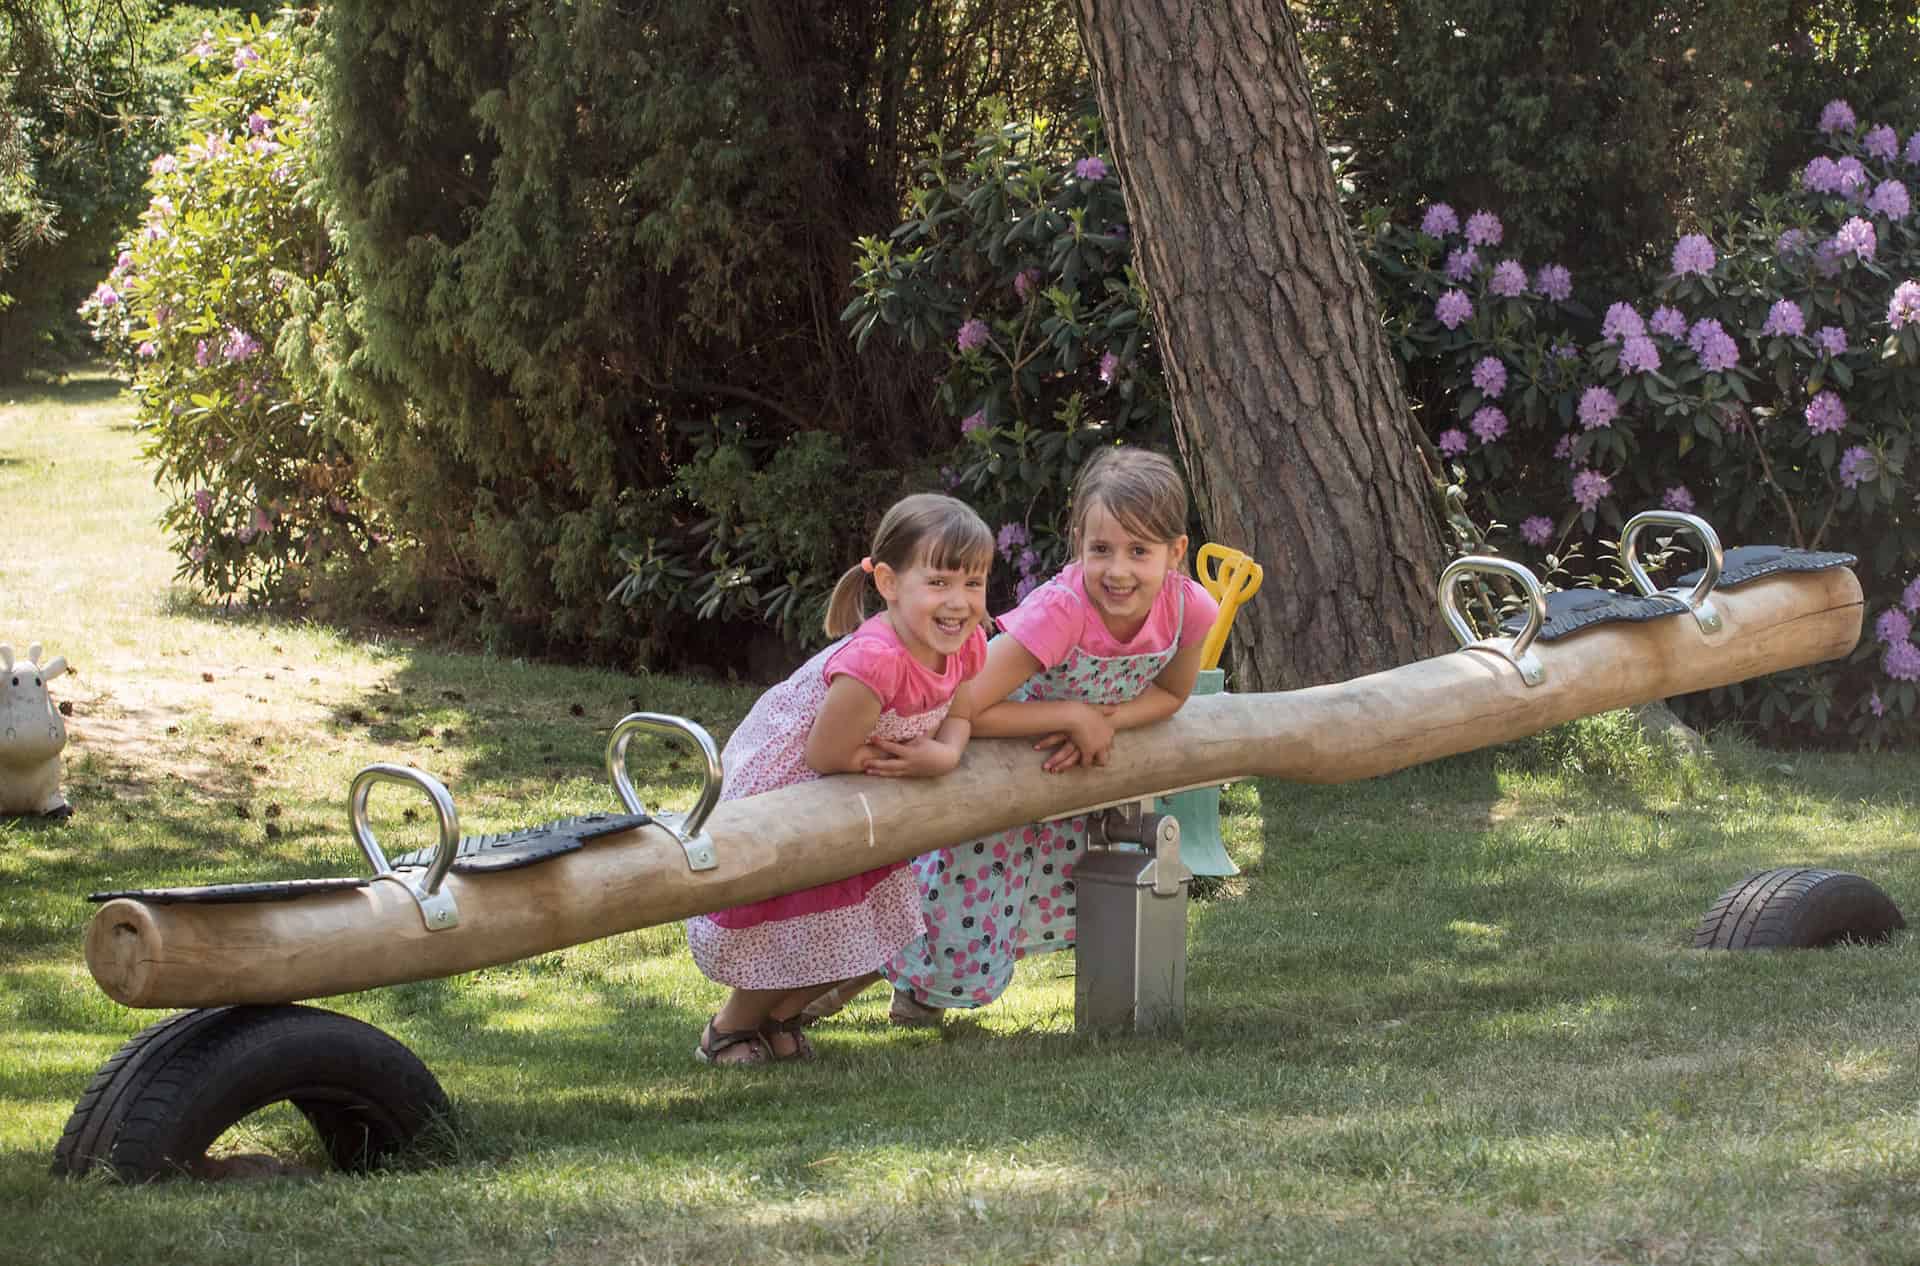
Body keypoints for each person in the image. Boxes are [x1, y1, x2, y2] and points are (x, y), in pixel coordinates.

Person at [810, 447, 1220, 1026]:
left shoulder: (1188, 608)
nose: (1118, 570)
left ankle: (915, 996)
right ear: (1078, 541)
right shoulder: (1063, 609)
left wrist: (1102, 721)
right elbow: (966, 701)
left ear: (1176, 553)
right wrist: (1069, 716)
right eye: (1100, 549)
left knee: (1002, 907)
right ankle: (820, 992)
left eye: (1140, 551)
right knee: (946, 896)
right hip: (994, 767)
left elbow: (1174, 695)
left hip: (1061, 779)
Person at [687, 493, 995, 1065]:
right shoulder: (876, 659)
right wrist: (907, 759)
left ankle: (782, 1018)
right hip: (795, 788)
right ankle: (729, 1028)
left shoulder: (966, 644)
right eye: (939, 583)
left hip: (862, 794)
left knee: (860, 926)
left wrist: (943, 756)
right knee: (792, 920)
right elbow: (826, 751)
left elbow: (961, 712)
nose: (959, 602)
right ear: (887, 582)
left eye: (973, 583)